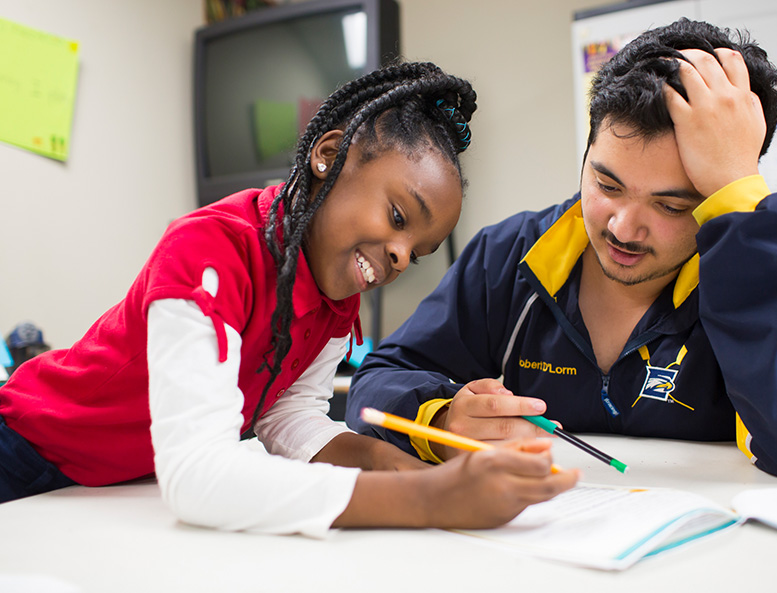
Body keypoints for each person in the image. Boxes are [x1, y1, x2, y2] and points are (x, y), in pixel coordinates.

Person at [0, 62, 578, 533]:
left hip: (105, 490)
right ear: (328, 155)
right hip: (24, 451)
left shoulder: (334, 298)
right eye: (398, 216)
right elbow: (196, 474)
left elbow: (290, 418)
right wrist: (427, 498)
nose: (400, 257)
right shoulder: (207, 247)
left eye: (417, 252)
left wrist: (412, 469)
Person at [346, 20, 777, 483]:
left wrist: (741, 200)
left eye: (673, 207)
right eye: (606, 185)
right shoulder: (508, 256)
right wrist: (438, 421)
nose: (624, 228)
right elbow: (376, 383)